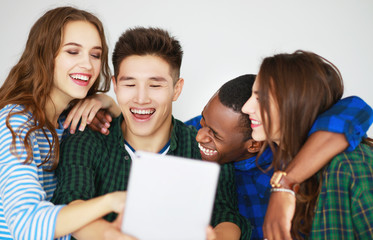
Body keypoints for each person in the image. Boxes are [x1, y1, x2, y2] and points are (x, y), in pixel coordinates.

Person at [51, 27, 249, 239]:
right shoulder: (86, 138)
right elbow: (71, 202)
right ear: (115, 86)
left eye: (155, 85)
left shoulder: (202, 146)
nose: (141, 98)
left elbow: (226, 215)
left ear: (176, 89)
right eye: (130, 84)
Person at [0, 6, 135, 240]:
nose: (88, 65)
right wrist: (111, 201)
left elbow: (129, 141)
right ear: (44, 55)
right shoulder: (15, 122)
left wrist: (110, 105)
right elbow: (25, 223)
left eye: (95, 55)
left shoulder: (70, 120)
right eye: (73, 52)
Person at [185, 74, 372, 239]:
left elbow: (355, 108)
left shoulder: (293, 158)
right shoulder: (205, 128)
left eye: (215, 134)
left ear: (254, 144)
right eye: (203, 122)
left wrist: (285, 184)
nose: (199, 135)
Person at [242, 50, 373, 239]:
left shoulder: (350, 166)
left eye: (260, 98)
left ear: (296, 103)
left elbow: (358, 107)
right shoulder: (284, 161)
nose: (246, 108)